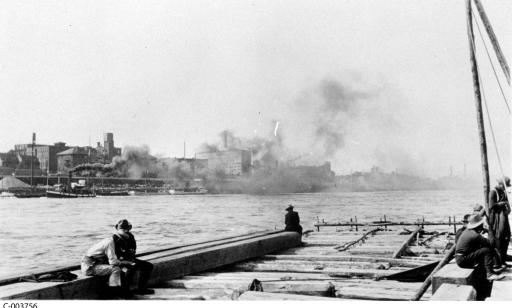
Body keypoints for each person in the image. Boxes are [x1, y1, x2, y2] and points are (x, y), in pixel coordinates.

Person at [455, 213, 504, 281]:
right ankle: (489, 274)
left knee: (484, 250)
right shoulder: (475, 235)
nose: (482, 225)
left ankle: (489, 271)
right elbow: (491, 244)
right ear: (478, 225)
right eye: (481, 224)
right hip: (463, 260)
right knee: (486, 250)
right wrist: (489, 230)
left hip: (460, 259)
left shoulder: (468, 231)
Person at [113, 219, 154, 295]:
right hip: (119, 263)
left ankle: (141, 289)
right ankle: (125, 292)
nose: (124, 230)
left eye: (126, 228)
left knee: (148, 266)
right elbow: (114, 257)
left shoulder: (131, 237)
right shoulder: (113, 239)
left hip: (130, 260)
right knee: (128, 269)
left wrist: (130, 260)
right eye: (122, 228)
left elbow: (132, 251)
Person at [488, 177, 511, 267]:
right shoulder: (493, 192)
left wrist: (508, 208)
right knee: (499, 238)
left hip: (504, 217)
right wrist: (503, 203)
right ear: (500, 184)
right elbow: (491, 206)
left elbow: (508, 205)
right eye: (504, 186)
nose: (505, 188)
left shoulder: (503, 192)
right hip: (496, 219)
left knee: (506, 237)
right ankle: (498, 262)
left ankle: (503, 260)